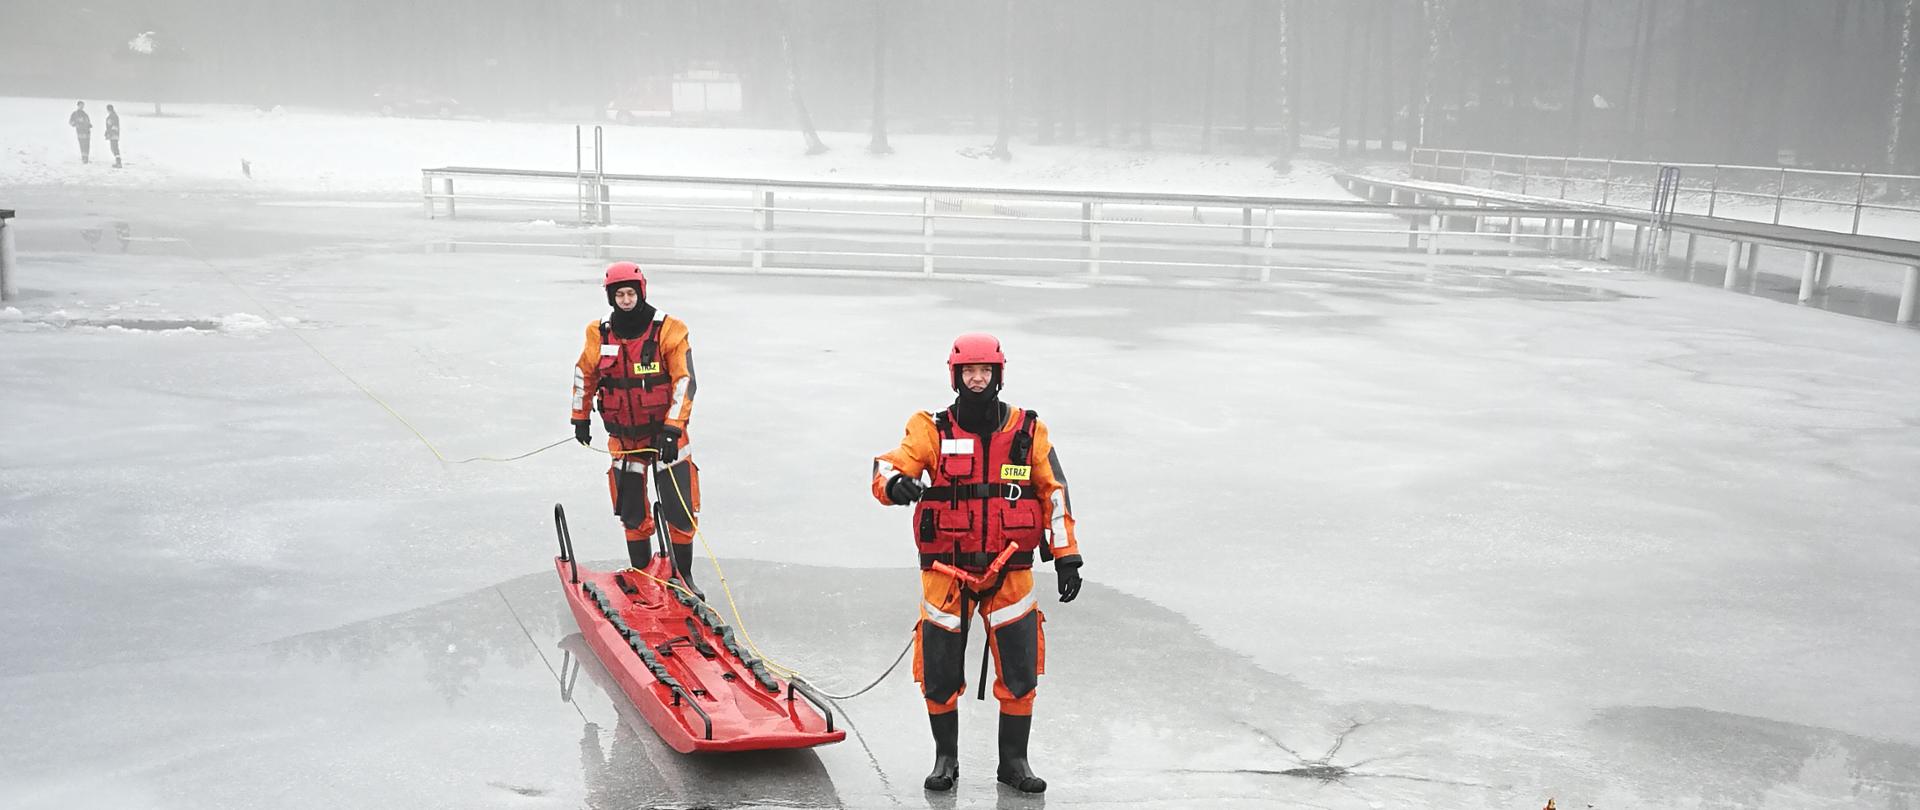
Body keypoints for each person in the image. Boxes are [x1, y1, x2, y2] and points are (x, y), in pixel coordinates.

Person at [871, 333, 1085, 795]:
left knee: (1021, 670)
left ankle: (1014, 763)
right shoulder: (930, 429)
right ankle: (945, 759)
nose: (977, 379)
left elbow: (1054, 493)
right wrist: (894, 486)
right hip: (947, 575)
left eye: (985, 370)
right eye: (969, 371)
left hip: (1010, 572)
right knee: (939, 672)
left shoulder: (1028, 431)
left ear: (998, 375)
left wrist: (1066, 556)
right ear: (955, 376)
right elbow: (888, 466)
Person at [570, 261, 703, 592]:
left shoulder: (670, 330)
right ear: (611, 297)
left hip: (666, 436)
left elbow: (684, 381)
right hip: (624, 439)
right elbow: (585, 375)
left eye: (631, 293)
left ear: (641, 292)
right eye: (619, 295)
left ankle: (683, 577)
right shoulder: (598, 333)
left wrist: (673, 428)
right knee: (631, 511)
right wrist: (580, 417)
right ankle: (642, 576)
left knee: (679, 509)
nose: (626, 300)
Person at [104, 104, 122, 168]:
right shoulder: (113, 116)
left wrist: (109, 133)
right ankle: (118, 162)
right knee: (114, 148)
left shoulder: (112, 116)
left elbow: (113, 126)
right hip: (114, 134)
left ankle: (118, 163)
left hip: (113, 134)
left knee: (114, 148)